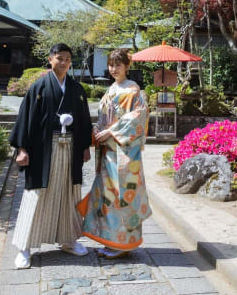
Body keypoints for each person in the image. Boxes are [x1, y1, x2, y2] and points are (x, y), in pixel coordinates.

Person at [8, 43, 93, 269]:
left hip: (71, 148)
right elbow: (25, 119)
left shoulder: (76, 89)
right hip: (44, 149)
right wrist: (22, 148)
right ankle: (24, 247)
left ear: (70, 62)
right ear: (50, 59)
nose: (63, 62)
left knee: (70, 193)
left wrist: (85, 146)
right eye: (59, 58)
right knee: (38, 193)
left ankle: (69, 240)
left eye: (67, 59)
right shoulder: (38, 87)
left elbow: (84, 120)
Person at [78, 49, 151, 258]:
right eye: (111, 65)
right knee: (108, 196)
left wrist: (110, 131)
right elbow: (103, 117)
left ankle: (122, 244)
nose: (114, 69)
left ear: (127, 66)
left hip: (124, 152)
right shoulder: (111, 89)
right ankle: (111, 240)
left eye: (118, 65)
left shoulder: (134, 90)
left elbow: (138, 118)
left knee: (123, 194)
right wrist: (96, 131)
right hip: (109, 151)